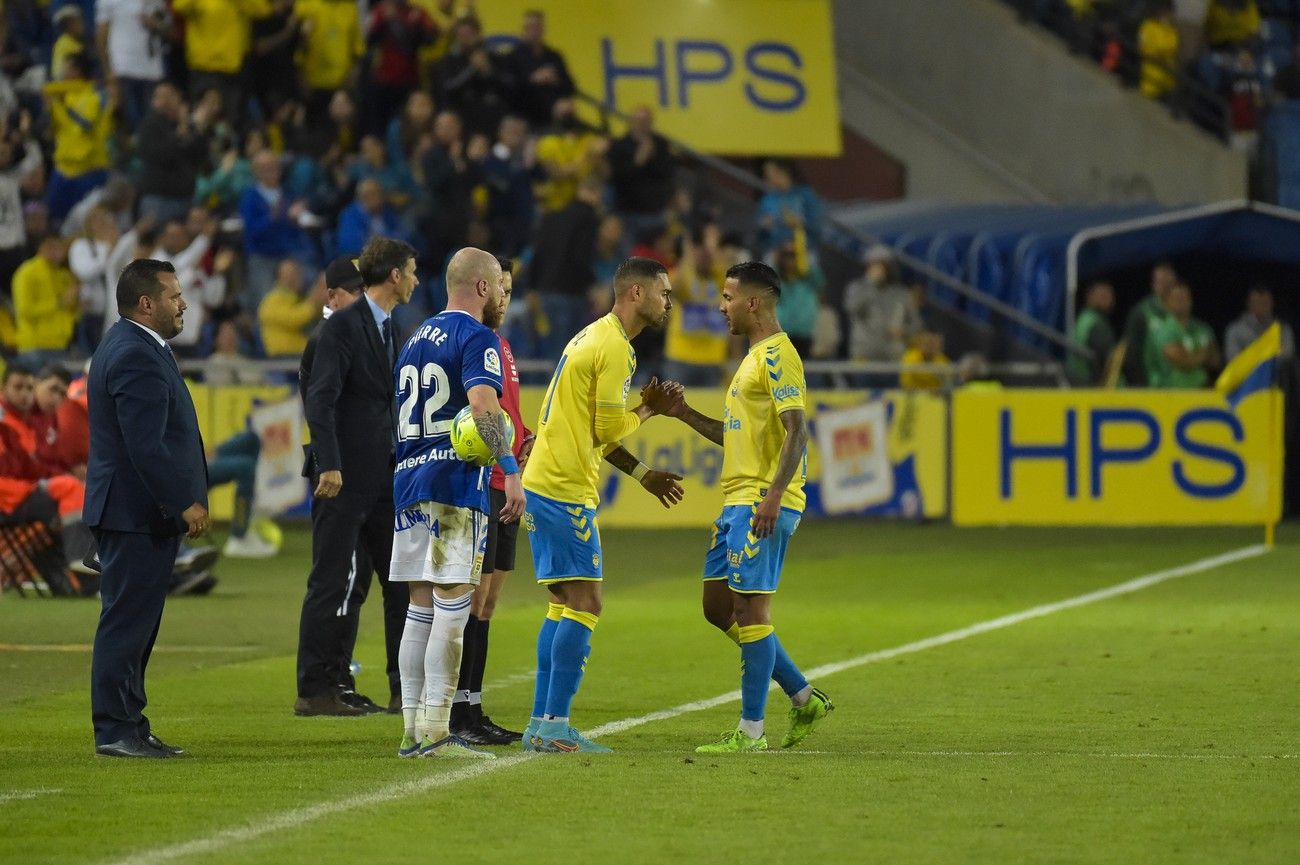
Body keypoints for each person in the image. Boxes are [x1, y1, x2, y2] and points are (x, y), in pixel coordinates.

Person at [660, 260, 832, 753]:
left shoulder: (779, 356)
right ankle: (803, 696)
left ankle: (751, 731)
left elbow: (798, 429)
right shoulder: (752, 359)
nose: (721, 306)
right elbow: (732, 437)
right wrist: (684, 413)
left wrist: (774, 495)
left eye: (728, 297)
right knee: (718, 607)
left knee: (751, 609)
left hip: (761, 498)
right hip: (737, 497)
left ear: (752, 302)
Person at [521, 257, 685, 753]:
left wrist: (642, 475)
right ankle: (554, 727)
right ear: (636, 293)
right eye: (663, 292)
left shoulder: (591, 336)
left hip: (543, 484)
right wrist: (651, 410)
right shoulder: (614, 347)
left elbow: (594, 431)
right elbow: (607, 428)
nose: (668, 301)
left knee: (562, 605)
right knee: (587, 603)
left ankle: (539, 722)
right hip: (564, 488)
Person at [388, 248, 522, 758]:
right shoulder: (478, 337)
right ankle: (438, 732)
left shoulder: (414, 339)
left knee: (419, 607)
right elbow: (484, 407)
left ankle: (412, 731)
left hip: (408, 480)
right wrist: (508, 471)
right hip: (452, 481)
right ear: (484, 287)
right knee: (453, 603)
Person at [85, 259, 210, 758]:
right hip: (133, 514)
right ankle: (116, 729)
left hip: (135, 513)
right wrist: (183, 501)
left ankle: (130, 724)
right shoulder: (134, 354)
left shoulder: (135, 347)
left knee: (137, 625)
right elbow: (145, 445)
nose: (183, 304)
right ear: (147, 303)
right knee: (127, 623)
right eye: (175, 296)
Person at [297, 238, 415, 717]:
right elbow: (320, 399)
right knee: (331, 582)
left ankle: (402, 687)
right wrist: (329, 462)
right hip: (343, 479)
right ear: (393, 276)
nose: (415, 280)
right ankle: (314, 688)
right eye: (411, 271)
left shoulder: (387, 327)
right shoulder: (341, 329)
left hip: (383, 478)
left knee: (401, 582)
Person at [449, 260, 529, 745]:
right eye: (504, 288)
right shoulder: (475, 342)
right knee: (470, 599)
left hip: (506, 479)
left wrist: (526, 436)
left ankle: (473, 707)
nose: (507, 298)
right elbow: (479, 409)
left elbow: (507, 410)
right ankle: (457, 711)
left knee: (488, 602)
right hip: (488, 483)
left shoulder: (501, 344)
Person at [1148, 281, 1221, 388]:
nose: (1182, 301)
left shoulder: (1203, 328)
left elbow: (1216, 361)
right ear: (1167, 303)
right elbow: (1184, 361)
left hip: (1202, 391)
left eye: (1185, 297)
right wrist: (1205, 353)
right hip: (1171, 394)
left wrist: (1195, 356)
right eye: (1177, 298)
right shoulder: (1164, 330)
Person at [1122, 261, 1176, 387]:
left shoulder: (1182, 312)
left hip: (1182, 389)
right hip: (1152, 388)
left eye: (1170, 282)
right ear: (1154, 285)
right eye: (1161, 282)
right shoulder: (1141, 313)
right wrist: (1141, 385)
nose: (1166, 286)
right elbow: (1132, 354)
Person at [1225, 286, 1295, 361]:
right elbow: (1232, 357)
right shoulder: (1235, 330)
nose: (1262, 307)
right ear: (1249, 303)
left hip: (1276, 371)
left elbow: (1288, 354)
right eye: (1257, 302)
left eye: (1265, 303)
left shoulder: (1283, 328)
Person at [1068, 281, 1117, 385]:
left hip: (1079, 381)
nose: (1108, 299)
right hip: (1093, 384)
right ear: (1090, 296)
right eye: (1103, 295)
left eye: (1110, 295)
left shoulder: (1083, 319)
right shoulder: (1096, 324)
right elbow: (1105, 358)